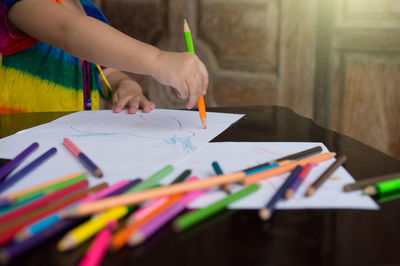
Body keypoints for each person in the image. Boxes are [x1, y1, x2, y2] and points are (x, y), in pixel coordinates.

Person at [0, 0, 208, 114]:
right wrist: (157, 59)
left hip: (68, 145)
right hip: (17, 149)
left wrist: (125, 85)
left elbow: (101, 70)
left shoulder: (89, 11)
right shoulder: (21, 4)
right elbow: (67, 31)